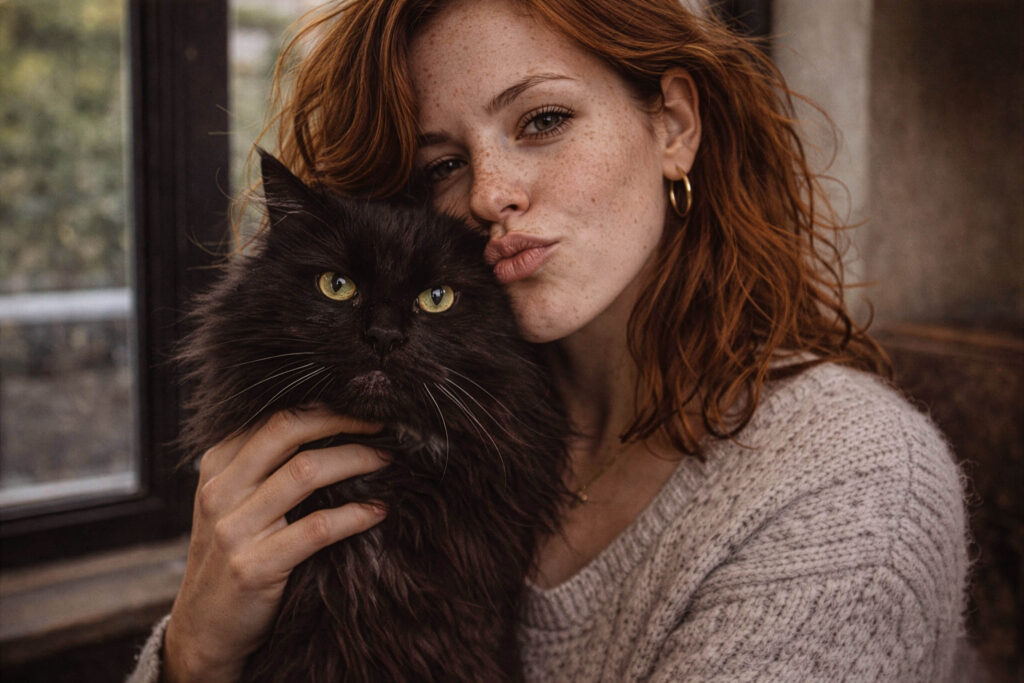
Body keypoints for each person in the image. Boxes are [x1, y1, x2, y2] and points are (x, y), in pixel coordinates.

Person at [129, 0, 969, 680]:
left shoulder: (854, 487)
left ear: (673, 124)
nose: (491, 192)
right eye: (442, 166)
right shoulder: (440, 415)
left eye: (544, 119)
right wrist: (192, 656)